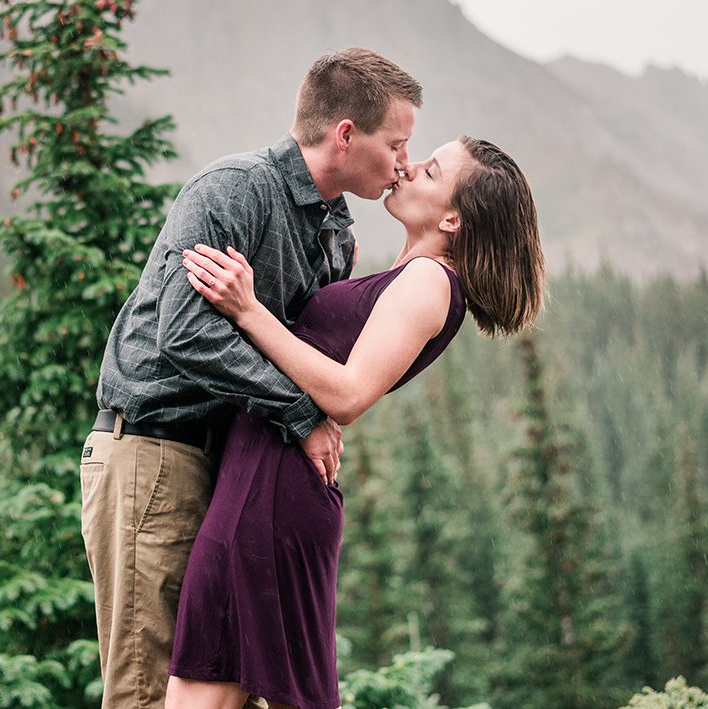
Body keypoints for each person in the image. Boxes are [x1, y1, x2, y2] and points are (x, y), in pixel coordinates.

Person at [81, 48, 424, 709]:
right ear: (346, 134)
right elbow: (182, 334)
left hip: (231, 474)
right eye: (397, 144)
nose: (404, 163)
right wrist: (301, 414)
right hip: (154, 454)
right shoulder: (234, 190)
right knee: (151, 693)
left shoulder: (334, 233)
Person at [165, 136, 545, 709]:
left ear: (452, 219)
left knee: (206, 678)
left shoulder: (430, 282)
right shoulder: (411, 274)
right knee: (215, 675)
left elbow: (346, 394)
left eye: (430, 170)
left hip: (271, 488)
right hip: (267, 476)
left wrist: (247, 308)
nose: (408, 167)